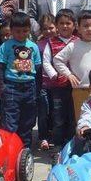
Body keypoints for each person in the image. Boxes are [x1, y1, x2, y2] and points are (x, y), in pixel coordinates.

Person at [53, 10, 91, 121]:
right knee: (81, 119)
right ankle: (83, 138)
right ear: (78, 28)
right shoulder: (73, 45)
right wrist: (69, 75)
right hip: (79, 90)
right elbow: (57, 60)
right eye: (85, 26)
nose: (89, 29)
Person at [0, 12, 41, 148]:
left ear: (29, 30)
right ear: (11, 30)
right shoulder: (6, 46)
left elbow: (38, 68)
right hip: (11, 87)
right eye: (17, 31)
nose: (21, 34)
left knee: (28, 120)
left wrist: (37, 88)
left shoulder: (33, 46)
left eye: (25, 31)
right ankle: (10, 147)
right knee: (10, 120)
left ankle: (25, 148)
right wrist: (1, 86)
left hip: (30, 87)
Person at [43, 9, 79, 152]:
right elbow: (46, 61)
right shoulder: (51, 42)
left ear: (74, 25)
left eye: (68, 23)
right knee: (58, 117)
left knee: (74, 116)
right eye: (61, 23)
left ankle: (72, 144)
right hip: (58, 86)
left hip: (76, 86)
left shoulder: (79, 41)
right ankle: (57, 145)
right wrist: (54, 75)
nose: (65, 26)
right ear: (56, 25)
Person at [37, 13, 57, 150]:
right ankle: (43, 137)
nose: (48, 31)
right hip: (43, 83)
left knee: (56, 112)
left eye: (51, 28)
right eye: (45, 29)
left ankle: (54, 136)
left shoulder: (60, 42)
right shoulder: (38, 44)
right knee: (43, 112)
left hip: (57, 84)